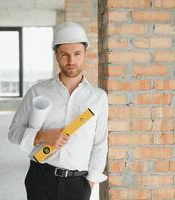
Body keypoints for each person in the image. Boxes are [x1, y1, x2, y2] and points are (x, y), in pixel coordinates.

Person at [8, 22, 108, 200]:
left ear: (86, 54)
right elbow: (13, 133)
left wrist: (90, 182)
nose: (71, 61)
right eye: (64, 55)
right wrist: (41, 136)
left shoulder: (98, 98)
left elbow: (100, 144)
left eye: (77, 54)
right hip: (40, 178)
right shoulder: (37, 92)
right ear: (56, 55)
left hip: (78, 184)